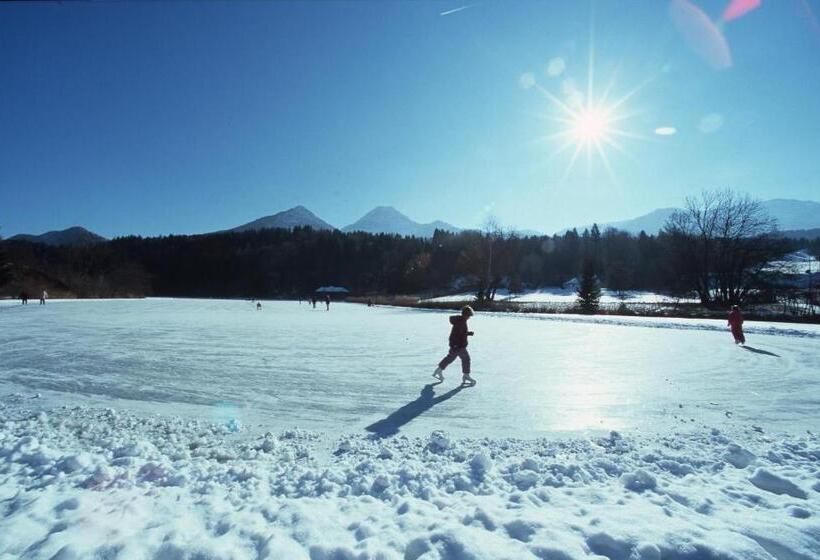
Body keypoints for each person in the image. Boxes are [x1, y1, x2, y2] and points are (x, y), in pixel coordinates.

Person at [433, 305, 476, 385]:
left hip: (456, 345)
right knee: (466, 359)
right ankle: (466, 375)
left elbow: (460, 333)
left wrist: (468, 333)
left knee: (450, 358)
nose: (469, 317)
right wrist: (455, 344)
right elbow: (456, 335)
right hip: (458, 345)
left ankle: (439, 370)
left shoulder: (461, 320)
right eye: (469, 315)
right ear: (466, 315)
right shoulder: (461, 322)